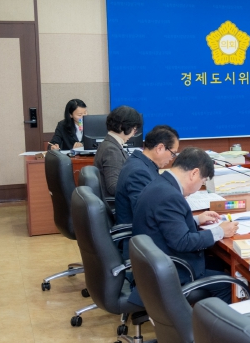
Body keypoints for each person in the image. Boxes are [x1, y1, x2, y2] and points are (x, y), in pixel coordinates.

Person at [129, 147, 238, 305]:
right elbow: (182, 242)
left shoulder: (160, 183)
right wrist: (220, 231)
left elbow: (165, 224)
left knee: (219, 263)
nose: (199, 187)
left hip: (154, 264)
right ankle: (209, 321)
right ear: (194, 173)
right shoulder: (170, 196)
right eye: (202, 181)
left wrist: (196, 220)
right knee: (231, 284)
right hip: (171, 273)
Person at [115, 125, 179, 226]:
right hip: (138, 233)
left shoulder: (141, 162)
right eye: (173, 153)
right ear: (160, 148)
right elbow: (146, 214)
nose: (172, 158)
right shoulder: (139, 172)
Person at [93, 106, 143, 198]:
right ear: (122, 126)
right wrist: (139, 185)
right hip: (117, 203)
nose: (133, 134)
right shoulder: (111, 150)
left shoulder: (109, 144)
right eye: (134, 130)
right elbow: (113, 187)